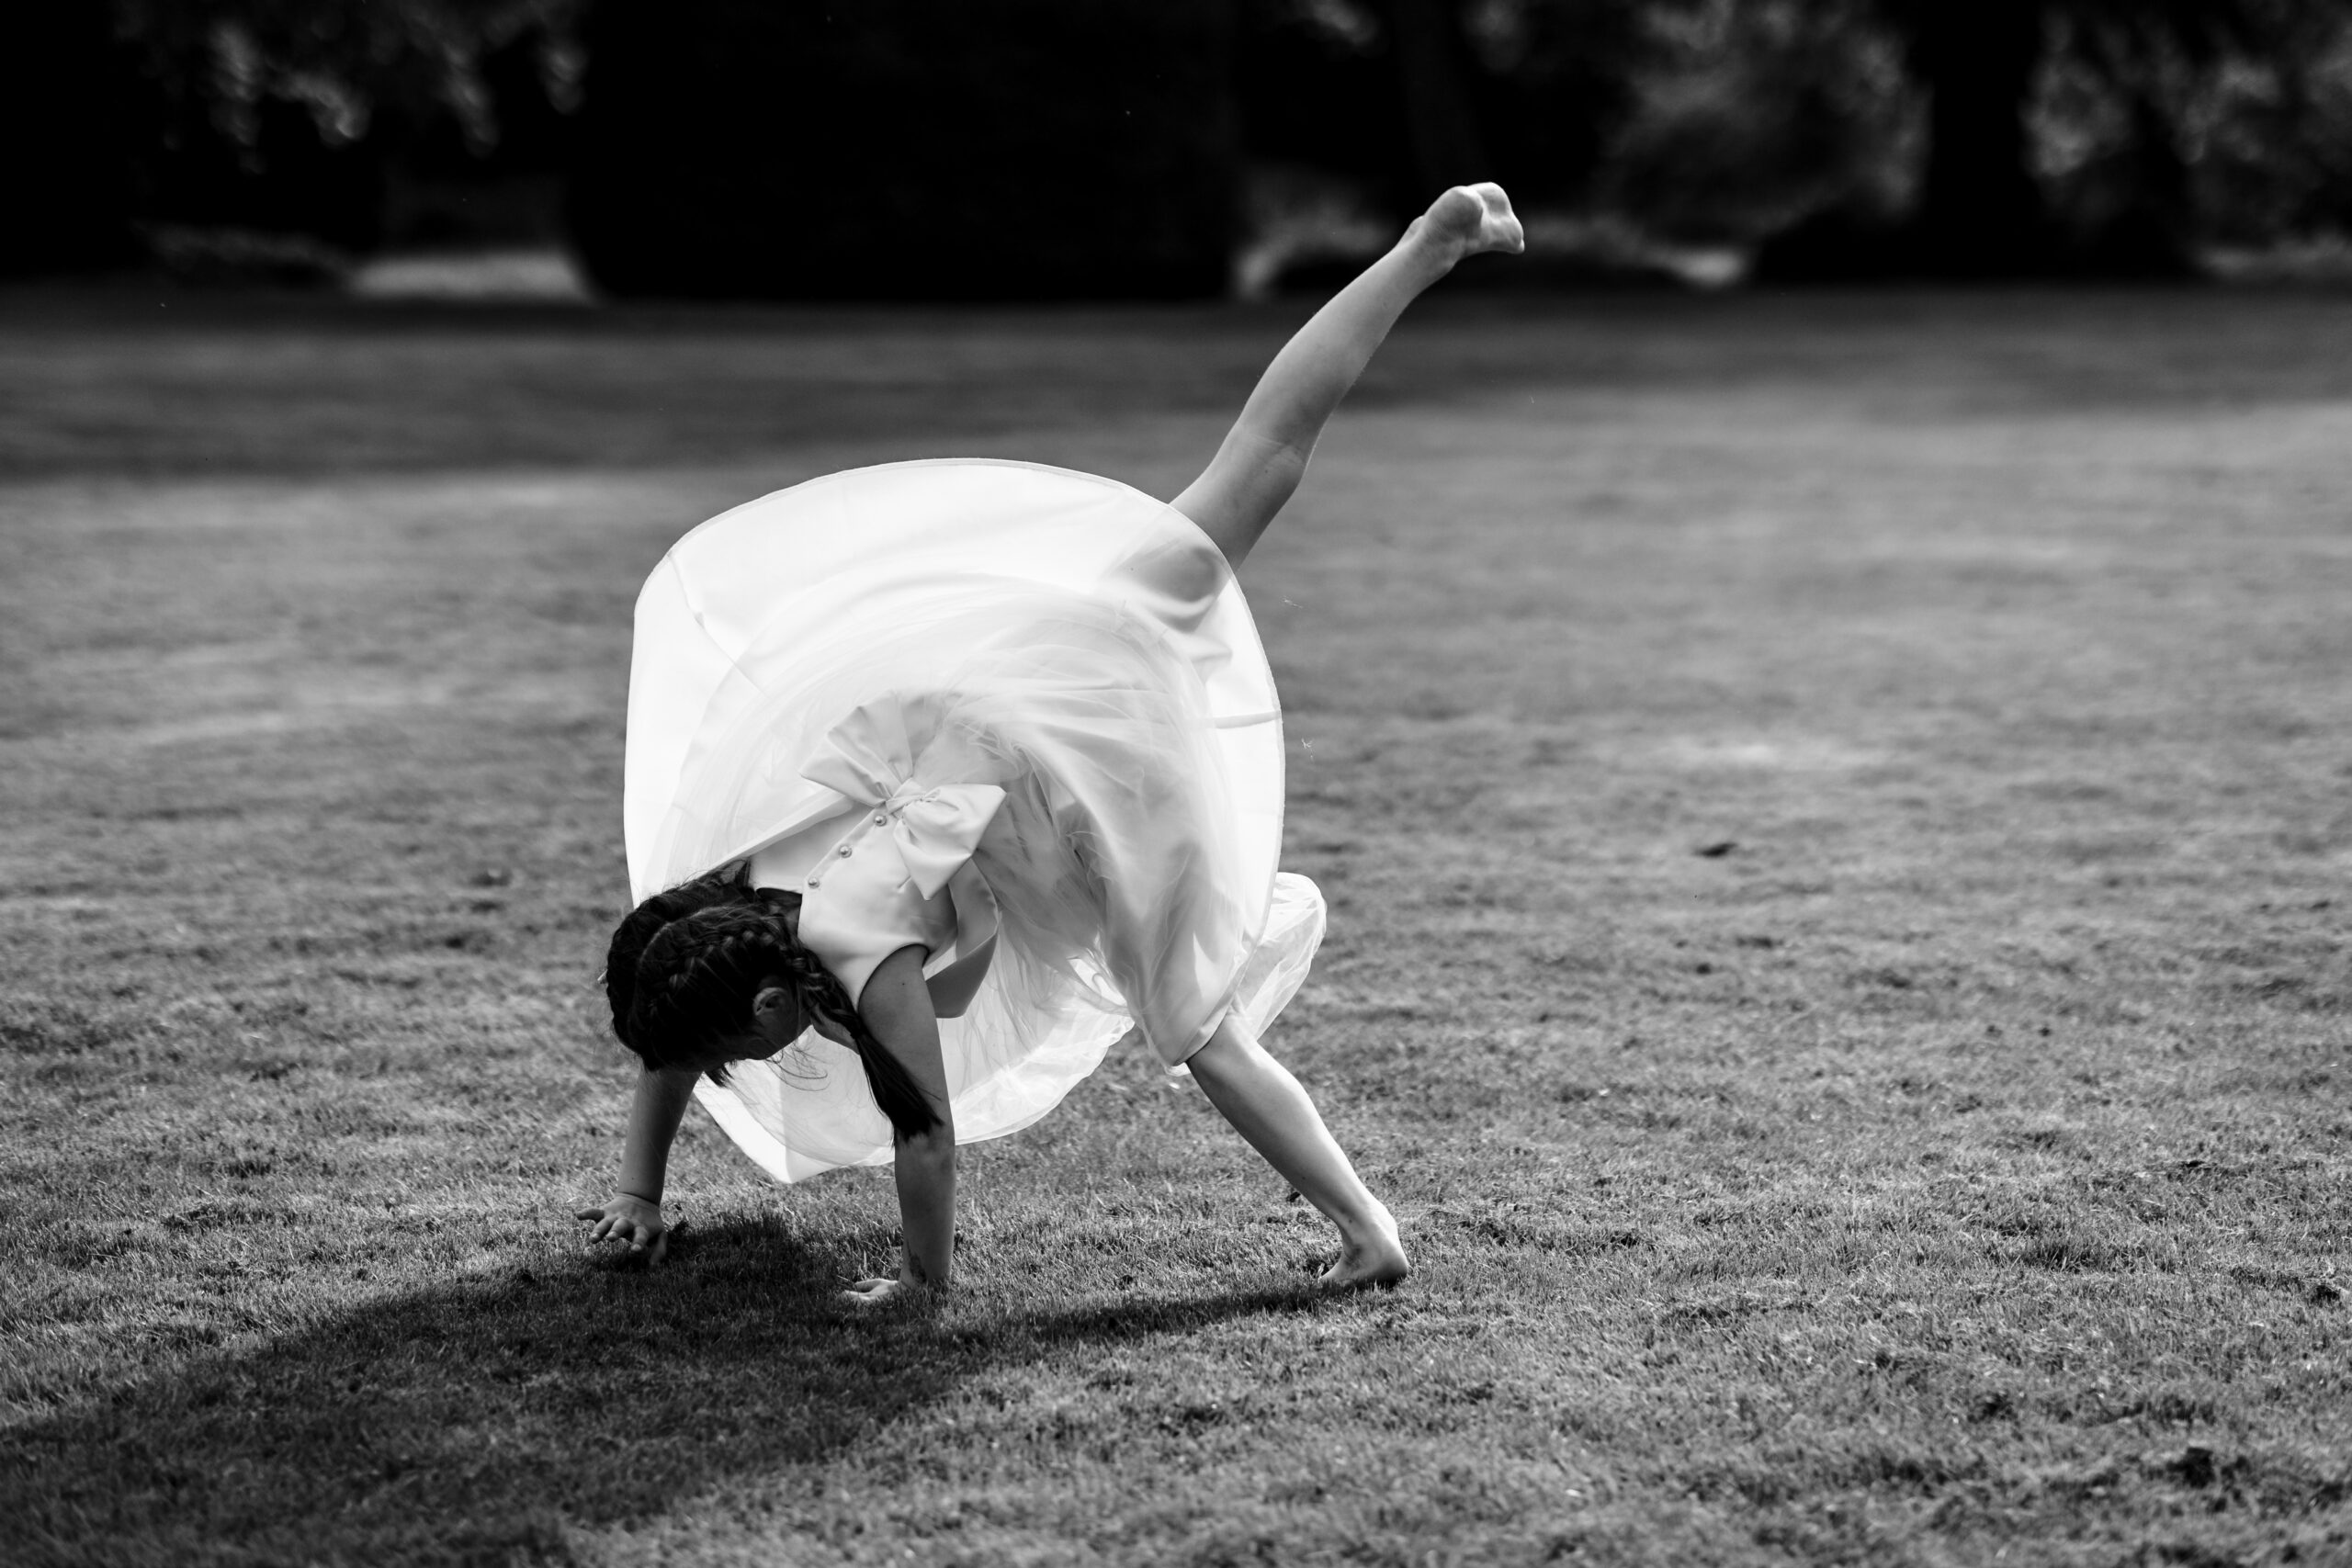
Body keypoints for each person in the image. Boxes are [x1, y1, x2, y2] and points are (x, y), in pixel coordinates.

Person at [581, 184, 1525, 1301]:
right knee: (1263, 453)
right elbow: (673, 1011)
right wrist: (638, 1192)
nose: (746, 1070)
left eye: (742, 1056)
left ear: (773, 1012)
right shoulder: (722, 900)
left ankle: (1371, 1231)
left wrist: (921, 1289)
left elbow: (923, 1137)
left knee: (1192, 1026)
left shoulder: (859, 952)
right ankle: (1430, 243)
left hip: (1094, 778)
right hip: (1032, 667)